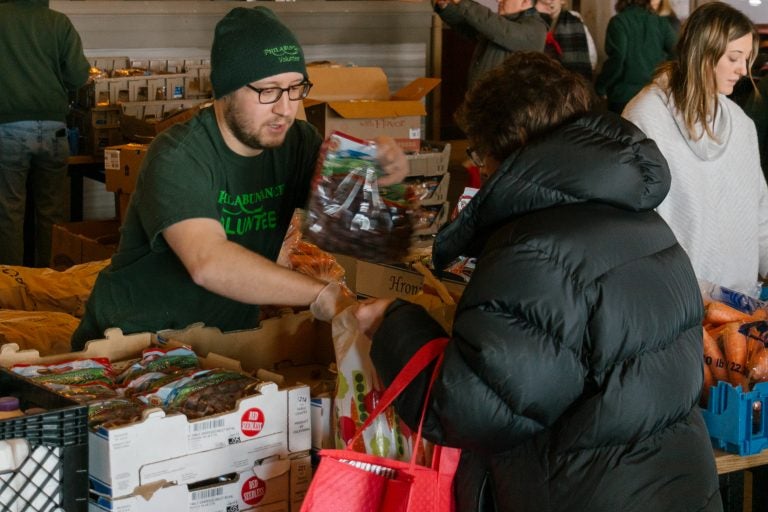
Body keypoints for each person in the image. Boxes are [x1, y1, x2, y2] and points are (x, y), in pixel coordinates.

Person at [355, 52, 721, 512]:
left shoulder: (536, 247)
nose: (481, 169)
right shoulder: (640, 219)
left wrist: (394, 323)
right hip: (676, 486)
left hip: (588, 494)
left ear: (509, 147)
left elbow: (474, 408)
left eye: (480, 152)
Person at [70, 6, 408, 350]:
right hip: (134, 343)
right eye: (268, 91)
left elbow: (351, 221)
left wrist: (380, 174)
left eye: (295, 88)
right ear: (225, 91)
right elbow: (208, 261)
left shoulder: (298, 142)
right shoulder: (179, 154)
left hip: (224, 346)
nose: (285, 108)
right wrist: (323, 295)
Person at [624, 1, 766, 296]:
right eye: (734, 58)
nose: (743, 70)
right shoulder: (644, 116)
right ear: (703, 53)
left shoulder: (741, 125)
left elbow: (760, 211)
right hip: (676, 300)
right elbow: (633, 222)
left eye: (747, 59)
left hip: (740, 299)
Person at [0, 0, 90, 267]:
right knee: (53, 214)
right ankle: (50, 287)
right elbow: (78, 76)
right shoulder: (58, 22)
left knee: (9, 213)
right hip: (55, 130)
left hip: (8, 128)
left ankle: (12, 290)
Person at [433, 0, 547, 86]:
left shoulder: (536, 29)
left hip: (507, 111)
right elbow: (467, 26)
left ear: (525, 1)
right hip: (484, 105)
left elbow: (500, 30)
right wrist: (445, 6)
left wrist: (462, 2)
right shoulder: (501, 23)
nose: (498, 0)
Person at [595, 0, 676, 114]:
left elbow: (617, 59)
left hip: (623, 96)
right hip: (654, 96)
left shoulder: (618, 22)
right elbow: (677, 53)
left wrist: (600, 87)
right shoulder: (661, 22)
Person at [535, 0, 597, 80]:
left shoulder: (575, 23)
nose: (549, 1)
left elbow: (591, 59)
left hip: (569, 82)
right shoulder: (531, 22)